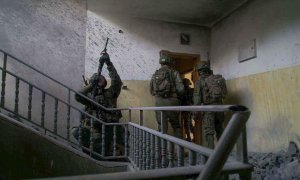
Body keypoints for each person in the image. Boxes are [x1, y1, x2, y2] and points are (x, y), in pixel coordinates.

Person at [72, 52, 123, 156]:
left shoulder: (110, 93)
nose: (100, 82)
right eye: (97, 81)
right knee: (77, 132)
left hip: (107, 129)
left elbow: (117, 81)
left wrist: (108, 63)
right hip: (92, 130)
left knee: (103, 147)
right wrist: (91, 85)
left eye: (101, 80)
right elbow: (78, 96)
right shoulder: (90, 97)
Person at [193, 61, 227, 149]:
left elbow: (197, 100)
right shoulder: (217, 79)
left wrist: (195, 113)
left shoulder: (199, 81)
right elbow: (225, 93)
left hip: (208, 109)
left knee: (209, 132)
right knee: (220, 130)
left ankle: (210, 156)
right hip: (220, 108)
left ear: (199, 71)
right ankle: (223, 152)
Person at [150, 55, 184, 138]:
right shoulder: (174, 72)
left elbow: (151, 91)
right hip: (172, 102)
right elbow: (181, 89)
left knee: (162, 127)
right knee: (176, 126)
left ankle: (162, 150)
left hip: (159, 103)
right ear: (170, 62)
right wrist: (177, 97)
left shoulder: (155, 74)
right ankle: (179, 149)